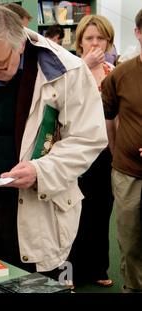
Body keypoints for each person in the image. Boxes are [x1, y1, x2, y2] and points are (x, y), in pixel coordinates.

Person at [0, 3, 107, 278]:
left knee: (34, 282)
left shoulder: (68, 71)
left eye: (0, 66)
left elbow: (88, 138)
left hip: (38, 211)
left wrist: (41, 171)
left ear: (19, 45)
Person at [67, 14, 116, 288]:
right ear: (80, 42)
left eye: (101, 38)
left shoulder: (113, 71)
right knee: (74, 213)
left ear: (108, 41)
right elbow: (62, 101)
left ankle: (98, 267)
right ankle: (69, 273)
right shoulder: (71, 67)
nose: (95, 43)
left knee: (101, 211)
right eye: (89, 38)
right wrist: (85, 67)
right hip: (76, 153)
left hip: (107, 153)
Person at [101, 9, 142, 293]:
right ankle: (134, 287)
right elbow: (108, 118)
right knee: (129, 240)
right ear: (138, 33)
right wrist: (117, 155)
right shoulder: (121, 75)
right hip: (129, 173)